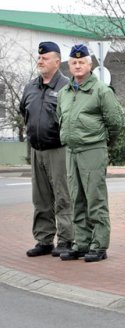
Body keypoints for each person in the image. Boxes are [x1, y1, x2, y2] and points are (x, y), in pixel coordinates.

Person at [56, 44, 124, 262]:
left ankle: (99, 244)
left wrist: (103, 144)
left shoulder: (101, 90)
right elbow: (61, 118)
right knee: (77, 198)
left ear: (90, 64)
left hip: (93, 149)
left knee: (95, 198)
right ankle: (81, 242)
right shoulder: (64, 93)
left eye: (81, 62)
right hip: (72, 150)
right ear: (69, 65)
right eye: (74, 62)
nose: (77, 65)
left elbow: (116, 122)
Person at [19, 41, 74, 257]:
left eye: (45, 58)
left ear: (57, 61)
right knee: (40, 198)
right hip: (37, 149)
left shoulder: (66, 87)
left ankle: (67, 239)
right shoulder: (30, 86)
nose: (40, 60)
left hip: (59, 149)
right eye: (39, 57)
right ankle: (44, 239)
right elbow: (25, 112)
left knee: (63, 196)